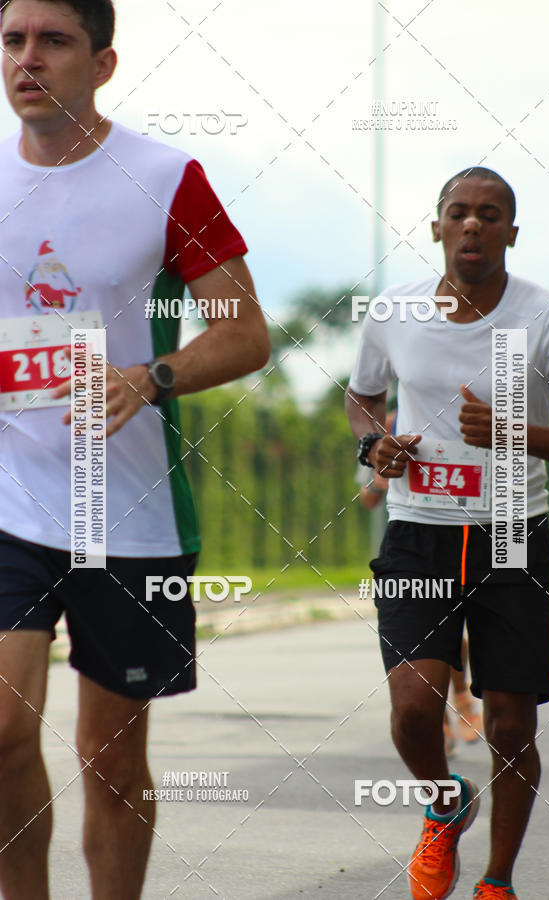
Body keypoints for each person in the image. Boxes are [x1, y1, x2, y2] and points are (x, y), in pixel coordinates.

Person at [0, 1, 270, 898]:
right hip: (11, 500)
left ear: (102, 63)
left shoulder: (165, 176)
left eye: (53, 41)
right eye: (12, 40)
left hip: (131, 515)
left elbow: (244, 334)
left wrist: (150, 378)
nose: (27, 58)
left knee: (108, 759)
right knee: (2, 728)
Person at [346, 166, 549, 899]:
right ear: (436, 227)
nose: (473, 226)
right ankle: (443, 803)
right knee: (414, 708)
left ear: (510, 234)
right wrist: (375, 444)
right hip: (418, 534)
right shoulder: (393, 312)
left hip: (512, 535)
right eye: (458, 212)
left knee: (512, 725)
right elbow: (362, 396)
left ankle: (496, 881)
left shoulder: (547, 319)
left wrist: (512, 433)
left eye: (490, 215)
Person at [358, 419, 483, 757]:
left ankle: (463, 698)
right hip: (408, 543)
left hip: (468, 534)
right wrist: (378, 480)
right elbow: (366, 499)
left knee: (454, 635)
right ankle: (439, 722)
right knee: (420, 646)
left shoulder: (448, 422)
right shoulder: (383, 436)